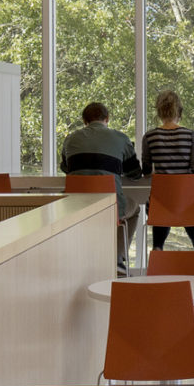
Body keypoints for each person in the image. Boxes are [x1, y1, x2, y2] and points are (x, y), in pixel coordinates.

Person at [60, 102, 143, 273]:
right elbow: (135, 174)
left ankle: (74, 261)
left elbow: (66, 168)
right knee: (134, 209)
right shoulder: (121, 138)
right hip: (110, 208)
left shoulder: (70, 139)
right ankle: (118, 259)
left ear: (85, 121)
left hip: (75, 208)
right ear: (107, 119)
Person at [142, 89, 194, 251]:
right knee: (188, 205)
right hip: (187, 203)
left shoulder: (149, 137)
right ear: (180, 111)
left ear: (159, 112)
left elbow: (146, 169)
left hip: (160, 204)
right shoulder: (191, 135)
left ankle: (157, 248)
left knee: (161, 204)